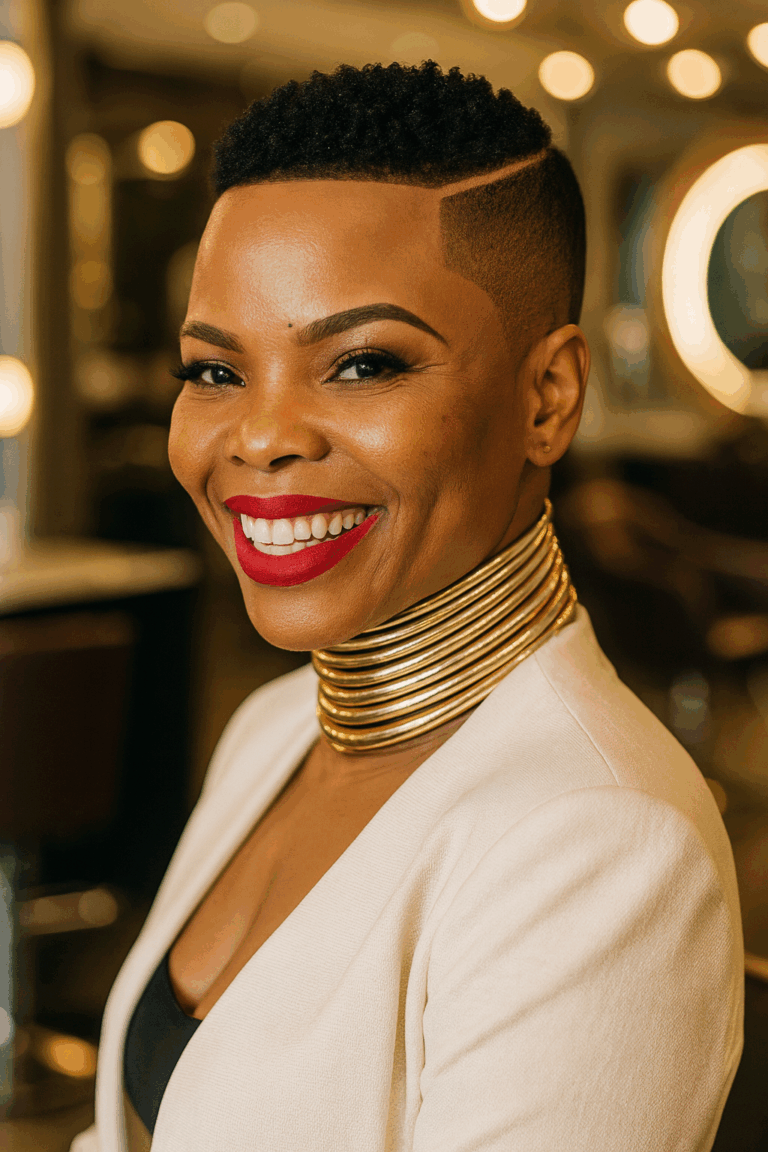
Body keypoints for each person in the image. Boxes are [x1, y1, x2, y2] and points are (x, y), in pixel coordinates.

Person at [71, 61, 743, 1152]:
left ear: (549, 397)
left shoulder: (606, 843)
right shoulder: (274, 729)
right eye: (215, 372)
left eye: (362, 363)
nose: (261, 436)